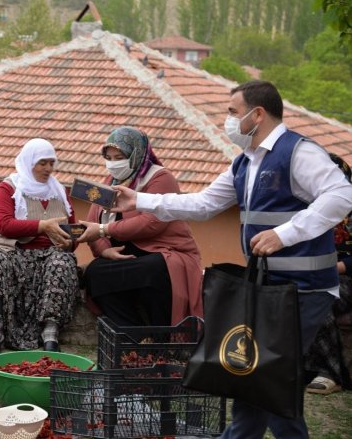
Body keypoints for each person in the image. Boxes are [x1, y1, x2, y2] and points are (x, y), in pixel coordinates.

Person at [109, 80, 352, 438]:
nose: (227, 119)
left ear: (257, 114)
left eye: (232, 112)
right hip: (268, 288)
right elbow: (204, 204)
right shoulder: (244, 163)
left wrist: (284, 233)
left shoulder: (298, 152)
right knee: (255, 376)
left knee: (267, 378)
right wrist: (140, 201)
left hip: (304, 290)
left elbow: (340, 195)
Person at [77, 127, 203, 327]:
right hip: (126, 257)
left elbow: (152, 223)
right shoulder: (111, 181)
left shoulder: (160, 178)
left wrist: (104, 230)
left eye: (119, 156)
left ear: (137, 153)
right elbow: (94, 219)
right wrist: (105, 250)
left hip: (165, 254)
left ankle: (163, 339)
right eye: (108, 157)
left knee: (152, 269)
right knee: (95, 273)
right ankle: (133, 335)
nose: (113, 163)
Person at [0, 138, 80, 360]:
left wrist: (69, 241)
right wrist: (43, 226)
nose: (48, 169)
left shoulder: (59, 191)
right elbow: (4, 224)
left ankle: (50, 335)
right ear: (29, 161)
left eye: (52, 163)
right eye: (42, 163)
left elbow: (72, 230)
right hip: (15, 251)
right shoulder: (9, 187)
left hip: (50, 255)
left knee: (63, 262)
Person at [304, 153, 352, 395]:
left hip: (346, 277)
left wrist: (335, 268)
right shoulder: (309, 208)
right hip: (314, 271)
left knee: (320, 296)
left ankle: (330, 373)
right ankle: (301, 366)